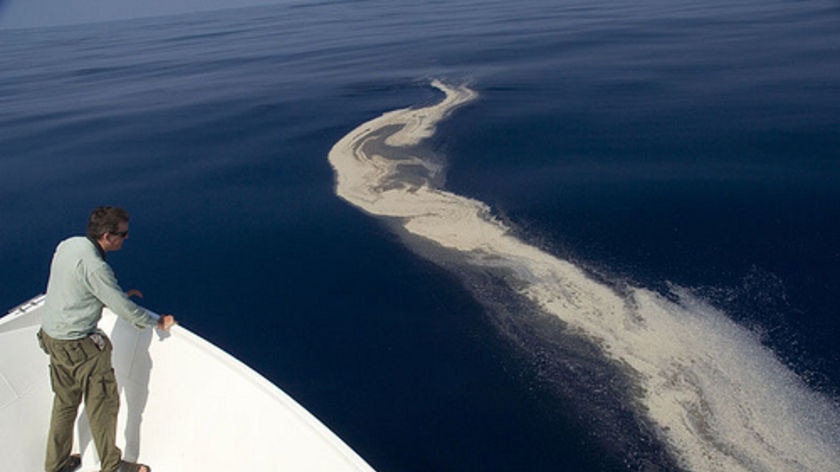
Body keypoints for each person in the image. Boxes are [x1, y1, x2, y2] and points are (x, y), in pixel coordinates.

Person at [37, 206, 176, 472]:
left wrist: (114, 294)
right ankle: (112, 466)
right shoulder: (97, 268)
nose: (126, 238)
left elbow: (80, 286)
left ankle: (55, 466)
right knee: (104, 404)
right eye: (123, 234)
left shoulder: (68, 245)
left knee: (64, 404)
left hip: (53, 339)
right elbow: (124, 310)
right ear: (107, 236)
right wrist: (158, 322)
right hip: (79, 348)